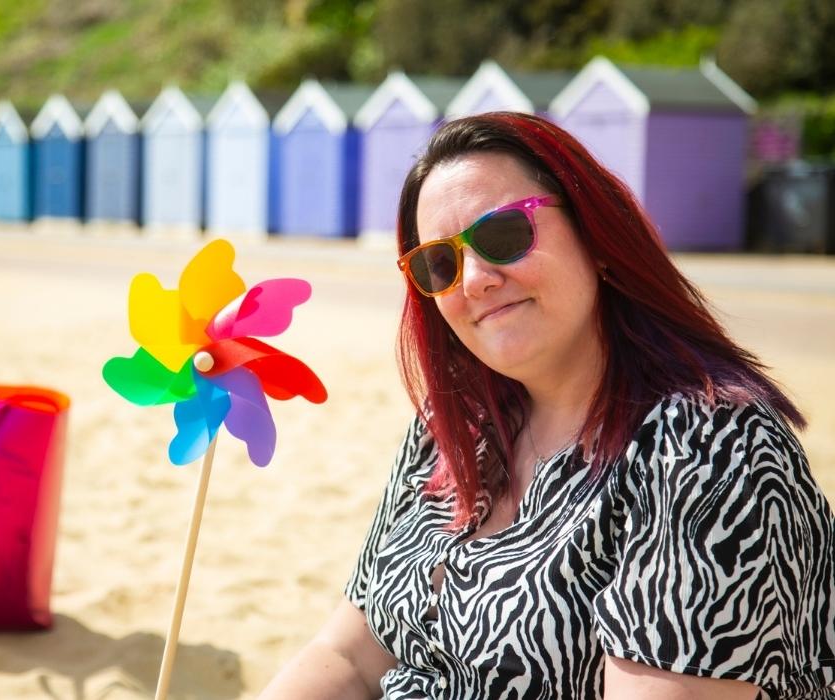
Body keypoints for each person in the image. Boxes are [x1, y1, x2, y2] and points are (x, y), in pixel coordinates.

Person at [259, 112, 835, 699]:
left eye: (504, 234)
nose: (475, 280)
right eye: (440, 263)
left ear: (598, 237)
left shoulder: (709, 450)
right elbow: (350, 657)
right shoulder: (454, 428)